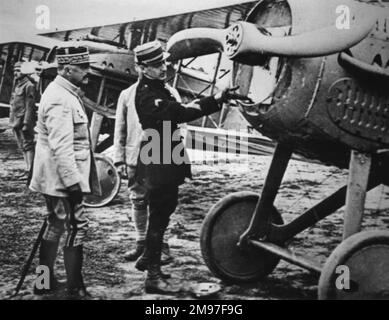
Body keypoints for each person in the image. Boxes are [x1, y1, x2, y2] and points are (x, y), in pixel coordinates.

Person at [131, 40, 243, 294]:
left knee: (164, 212)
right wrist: (216, 98)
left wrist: (216, 98)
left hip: (163, 153)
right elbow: (180, 113)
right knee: (159, 218)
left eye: (164, 62)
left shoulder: (158, 87)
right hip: (159, 156)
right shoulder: (149, 95)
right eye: (156, 64)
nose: (163, 67)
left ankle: (149, 258)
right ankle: (153, 276)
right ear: (142, 68)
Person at [29, 46, 101, 299]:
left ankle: (43, 282)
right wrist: (73, 184)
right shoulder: (61, 97)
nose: (88, 72)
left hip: (55, 176)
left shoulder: (63, 92)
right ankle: (75, 288)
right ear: (68, 69)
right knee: (76, 227)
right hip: (62, 178)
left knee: (56, 224)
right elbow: (62, 146)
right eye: (83, 68)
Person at [113, 68, 175, 265]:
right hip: (134, 157)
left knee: (163, 205)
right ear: (140, 67)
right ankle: (141, 243)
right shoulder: (126, 95)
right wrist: (119, 159)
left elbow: (181, 126)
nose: (164, 68)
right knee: (138, 199)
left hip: (160, 157)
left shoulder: (171, 94)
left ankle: (162, 245)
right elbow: (120, 128)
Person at [9, 61, 37, 178]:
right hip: (16, 121)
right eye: (15, 70)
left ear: (25, 72)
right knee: (22, 146)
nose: (16, 73)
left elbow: (29, 106)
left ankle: (30, 170)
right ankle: (27, 169)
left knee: (28, 145)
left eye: (19, 70)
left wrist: (26, 123)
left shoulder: (29, 85)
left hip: (24, 121)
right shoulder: (18, 85)